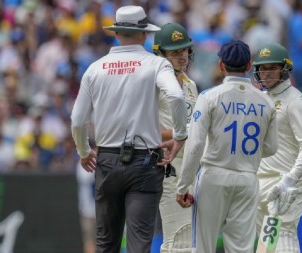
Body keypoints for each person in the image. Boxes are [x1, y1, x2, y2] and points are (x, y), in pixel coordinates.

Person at [70, 5, 188, 253]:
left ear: (116, 33)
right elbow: (177, 97)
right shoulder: (156, 65)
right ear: (144, 34)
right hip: (145, 161)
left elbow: (78, 120)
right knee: (139, 243)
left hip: (108, 160)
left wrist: (83, 151)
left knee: (106, 242)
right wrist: (179, 135)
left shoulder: (95, 68)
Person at [176, 40, 279, 253]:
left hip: (213, 175)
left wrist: (183, 185)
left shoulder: (209, 97)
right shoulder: (266, 102)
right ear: (250, 66)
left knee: (203, 247)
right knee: (241, 249)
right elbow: (271, 148)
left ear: (221, 65)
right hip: (247, 178)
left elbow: (195, 145)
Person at [252, 43, 302, 252]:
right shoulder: (261, 99)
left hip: (284, 183)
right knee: (265, 247)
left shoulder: (296, 101)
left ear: (284, 69)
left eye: (272, 67)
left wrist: (290, 179)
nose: (266, 73)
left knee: (283, 238)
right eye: (263, 68)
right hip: (259, 182)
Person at [153, 22, 198, 253]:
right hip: (167, 165)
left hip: (189, 166)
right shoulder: (154, 84)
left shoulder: (190, 85)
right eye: (175, 52)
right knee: (176, 239)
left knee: (187, 238)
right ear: (160, 54)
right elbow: (145, 129)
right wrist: (183, 133)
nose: (182, 56)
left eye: (184, 50)